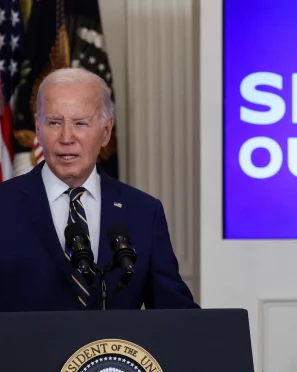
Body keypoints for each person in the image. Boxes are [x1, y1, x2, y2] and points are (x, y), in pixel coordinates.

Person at [0, 67, 199, 311]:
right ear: (38, 129)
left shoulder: (143, 212)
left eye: (80, 123)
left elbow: (176, 313)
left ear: (105, 132)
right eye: (54, 122)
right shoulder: (5, 205)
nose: (66, 137)